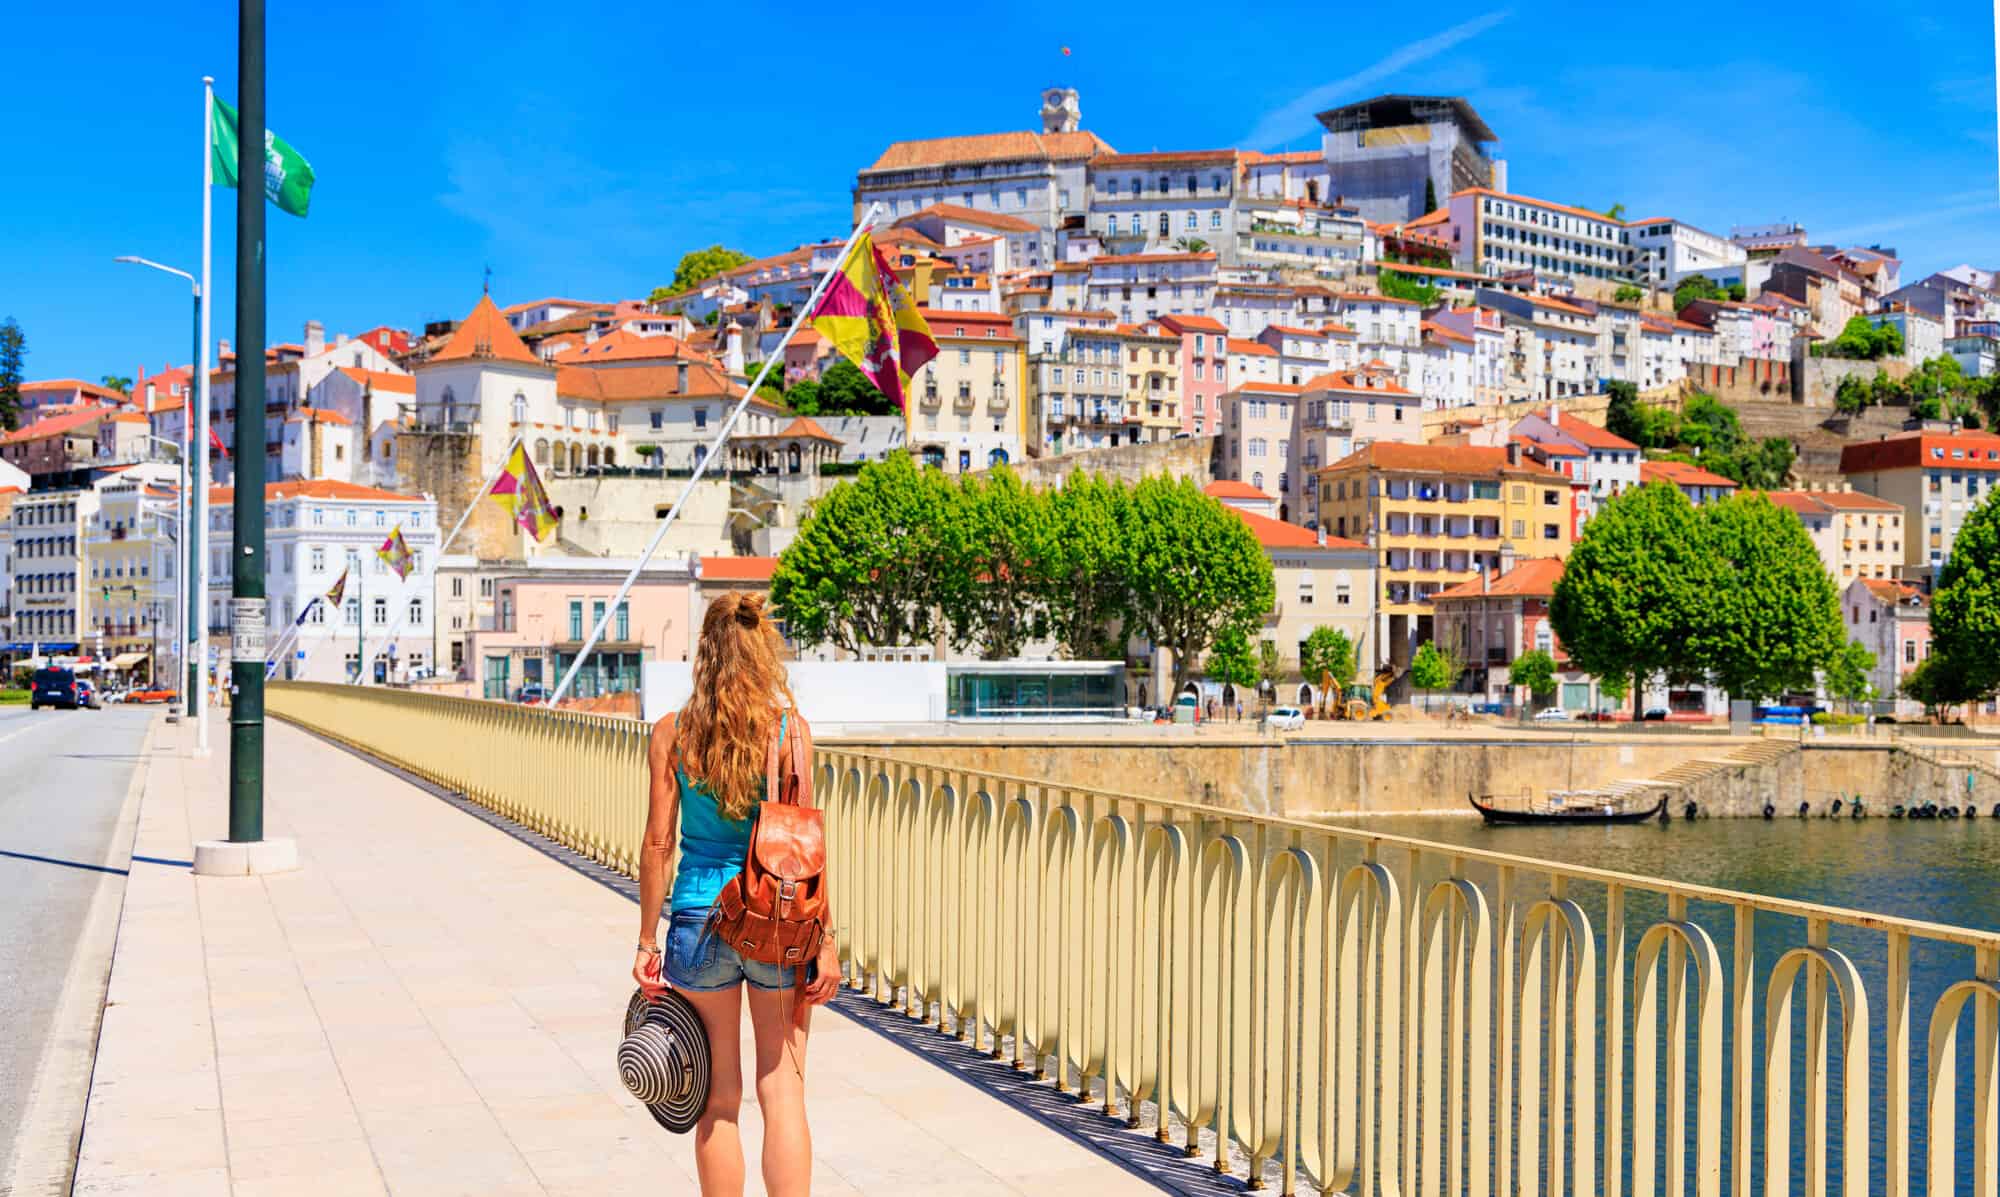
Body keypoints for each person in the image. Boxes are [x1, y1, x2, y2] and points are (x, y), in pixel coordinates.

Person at [633, 593, 840, 1196]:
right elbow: (805, 847)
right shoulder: (788, 732)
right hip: (775, 918)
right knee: (782, 1090)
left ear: (705, 653)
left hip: (698, 917)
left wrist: (648, 938)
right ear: (763, 650)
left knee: (718, 1095)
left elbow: (656, 844)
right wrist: (823, 939)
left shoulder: (673, 733)